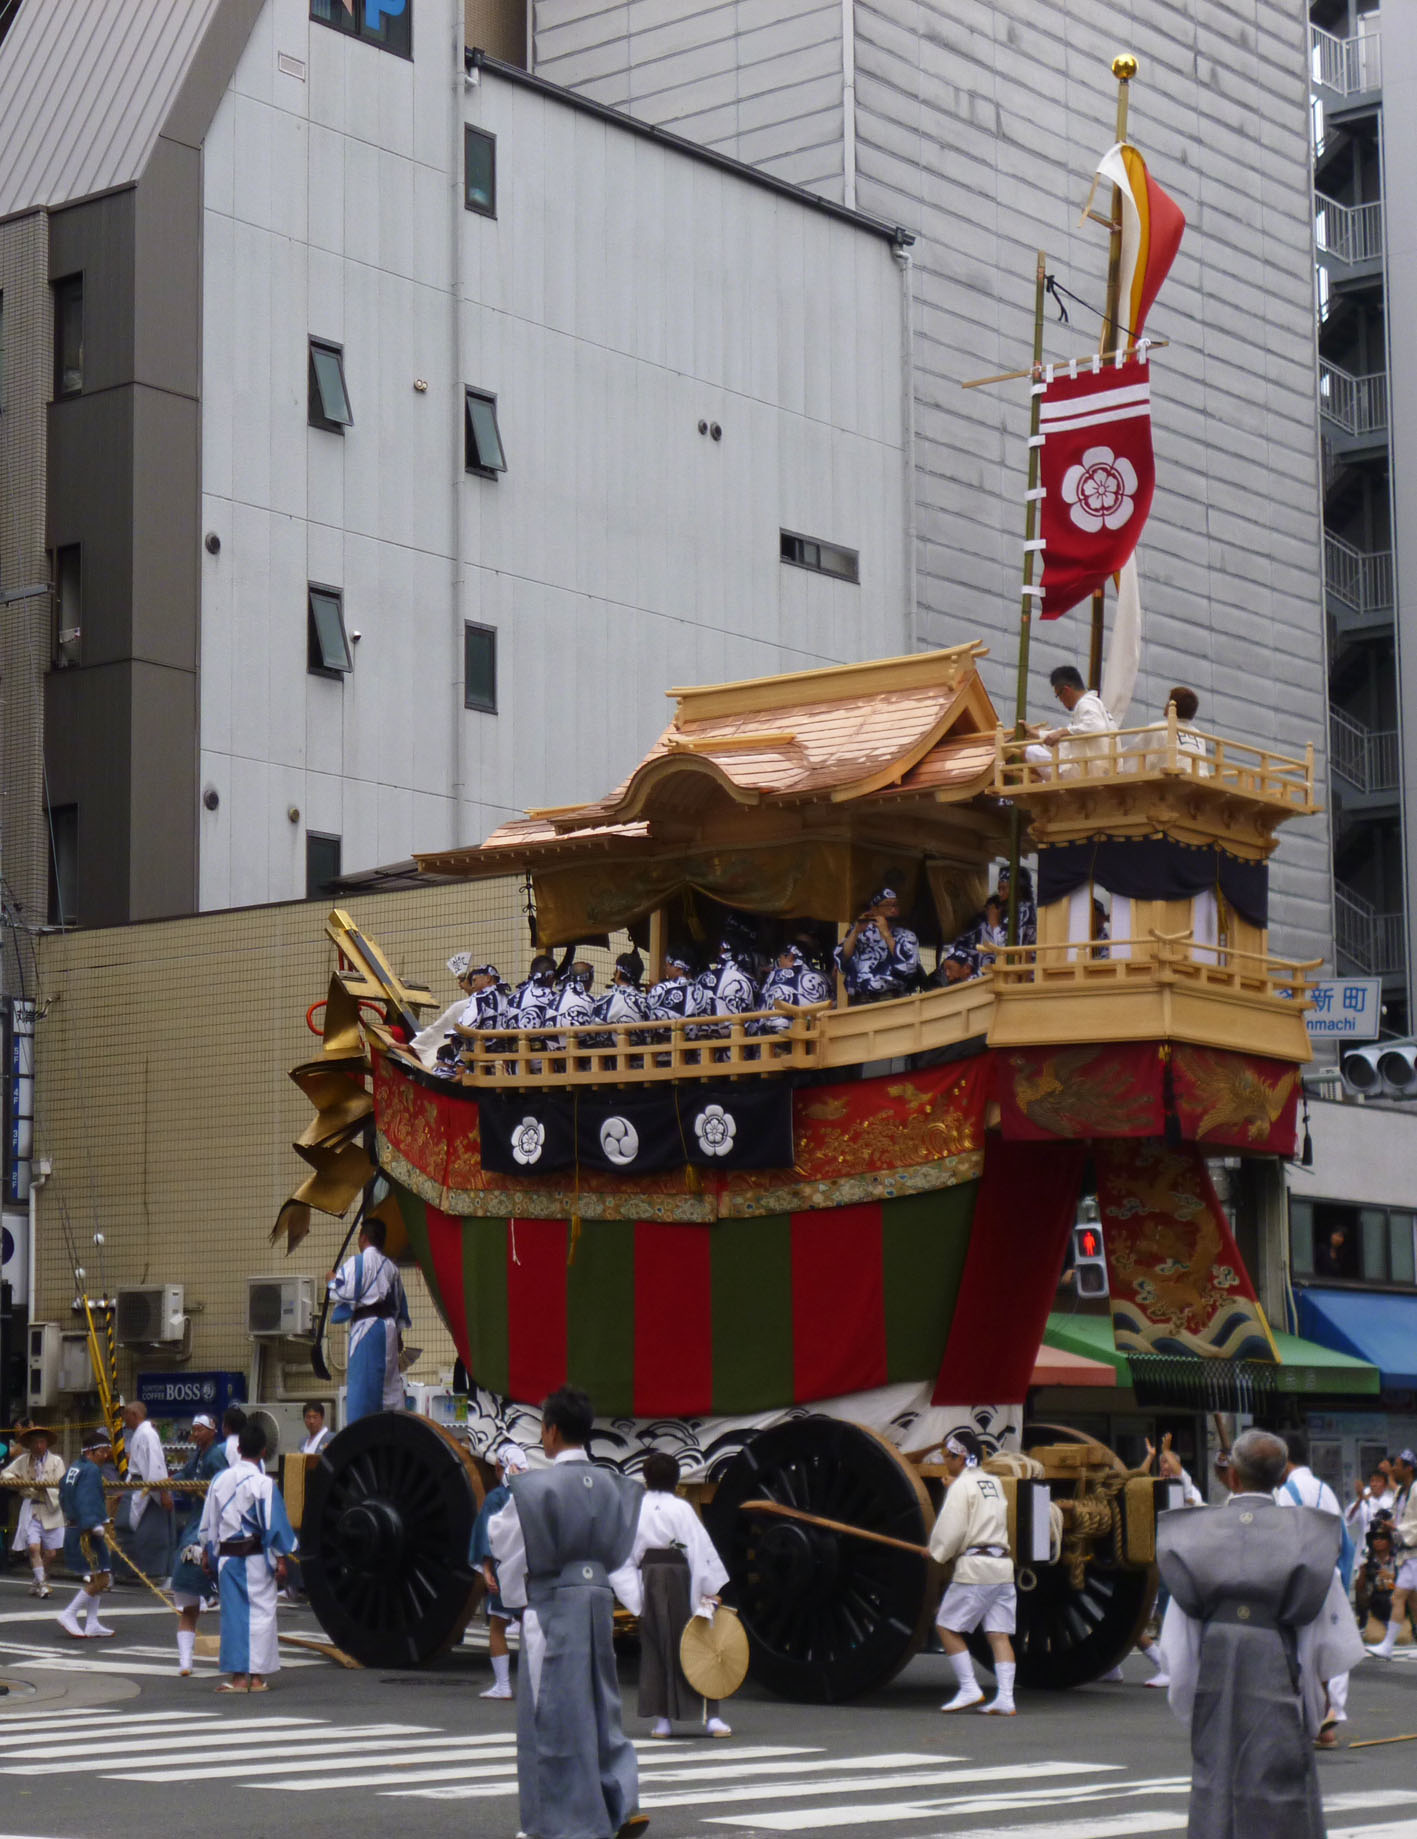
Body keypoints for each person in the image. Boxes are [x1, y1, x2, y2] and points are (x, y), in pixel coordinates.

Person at [1156, 1427, 1366, 1836]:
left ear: (1232, 1476)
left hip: (1216, 1662)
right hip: (1279, 1658)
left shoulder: (1193, 1535)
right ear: (1280, 1477)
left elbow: (1177, 1645)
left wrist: (1188, 1698)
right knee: (1280, 1779)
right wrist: (1312, 1701)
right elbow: (1326, 1640)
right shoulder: (1309, 1535)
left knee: (1216, 1776)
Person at [487, 1387, 647, 1839]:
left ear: (552, 1431)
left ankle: (554, 1820)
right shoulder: (616, 1486)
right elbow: (623, 1553)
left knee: (551, 1714)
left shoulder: (535, 1487)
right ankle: (620, 1800)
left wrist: (517, 1594)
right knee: (602, 1705)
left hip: (555, 1602)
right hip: (597, 1599)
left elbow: (506, 1542)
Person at [630, 1452, 731, 1740]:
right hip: (681, 1576)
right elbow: (698, 1548)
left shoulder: (638, 1509)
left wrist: (633, 1591)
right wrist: (708, 1590)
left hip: (648, 1578)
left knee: (656, 1647)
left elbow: (627, 1554)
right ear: (676, 1480)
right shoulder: (682, 1509)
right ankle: (711, 1718)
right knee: (698, 1645)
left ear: (646, 1479)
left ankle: (662, 1720)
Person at [197, 1420, 297, 1693]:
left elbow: (208, 1524)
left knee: (234, 1615)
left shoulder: (219, 1480)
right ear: (264, 1451)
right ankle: (257, 1677)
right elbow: (274, 1526)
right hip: (256, 1558)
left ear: (238, 1449)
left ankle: (239, 1678)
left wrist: (207, 1553)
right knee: (262, 1614)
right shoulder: (265, 1484)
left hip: (228, 1558)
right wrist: (281, 1558)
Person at [927, 1429, 1016, 1716]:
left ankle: (969, 1688)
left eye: (946, 1456)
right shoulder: (994, 1483)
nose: (944, 1461)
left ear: (959, 1456)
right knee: (999, 1634)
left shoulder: (961, 1488)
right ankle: (1005, 1698)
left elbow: (951, 1528)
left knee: (946, 1625)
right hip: (1003, 1567)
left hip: (976, 1569)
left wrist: (937, 1551)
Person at [1275, 1430, 1353, 1743]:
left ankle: (1324, 1714)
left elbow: (1283, 1542)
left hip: (1303, 1579)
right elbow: (1345, 1542)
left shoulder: (1286, 1493)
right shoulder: (1325, 1489)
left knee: (1305, 1649)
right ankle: (1329, 1717)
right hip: (1331, 1575)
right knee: (1331, 1645)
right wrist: (1343, 1581)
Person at [327, 1214, 410, 1421]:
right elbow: (398, 1305)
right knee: (388, 1383)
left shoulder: (357, 1262)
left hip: (367, 1327)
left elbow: (344, 1291)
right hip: (388, 1328)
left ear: (363, 1237)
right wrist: (398, 1336)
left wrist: (331, 1281)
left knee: (363, 1385)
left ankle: (364, 1428)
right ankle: (393, 1421)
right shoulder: (391, 1268)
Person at [470, 1441, 530, 1700]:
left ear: (501, 1467)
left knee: (497, 1626)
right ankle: (533, 1683)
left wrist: (486, 1570)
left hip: (504, 1570)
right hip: (532, 1571)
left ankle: (503, 1685)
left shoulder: (497, 1497)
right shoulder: (534, 1494)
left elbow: (486, 1535)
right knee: (532, 1628)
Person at [170, 1413, 228, 1676]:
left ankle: (220, 1658)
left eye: (199, 1429)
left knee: (220, 1600)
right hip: (198, 1522)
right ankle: (185, 1662)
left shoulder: (215, 1456)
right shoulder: (197, 1456)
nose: (195, 1434)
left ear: (213, 1431)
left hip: (210, 1525)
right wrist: (168, 1482)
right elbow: (185, 1474)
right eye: (193, 1429)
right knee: (190, 1600)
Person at [57, 1427, 119, 1640]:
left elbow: (63, 1494)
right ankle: (70, 1613)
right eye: (103, 1451)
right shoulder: (91, 1470)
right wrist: (93, 1524)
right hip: (87, 1531)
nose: (106, 1455)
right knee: (102, 1578)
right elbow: (87, 1499)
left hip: (74, 1526)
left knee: (97, 1574)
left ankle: (92, 1623)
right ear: (91, 1452)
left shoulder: (74, 1468)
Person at [3, 1422, 66, 1598]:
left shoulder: (56, 1461)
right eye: (35, 1442)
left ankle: (38, 1579)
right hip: (31, 1508)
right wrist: (17, 1481)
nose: (38, 1446)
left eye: (42, 1442)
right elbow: (5, 1474)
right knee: (33, 1547)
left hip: (51, 1507)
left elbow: (62, 1485)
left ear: (46, 1443)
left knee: (51, 1553)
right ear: (29, 1444)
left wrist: (44, 1488)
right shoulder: (23, 1460)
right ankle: (43, 1584)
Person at [1367, 1447, 1417, 1657]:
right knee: (1413, 1600)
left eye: (1397, 1465)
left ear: (1409, 1468)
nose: (1394, 1468)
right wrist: (1387, 1521)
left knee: (1398, 1597)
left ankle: (1387, 1646)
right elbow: (1398, 1516)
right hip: (1406, 1553)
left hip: (1414, 1551)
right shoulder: (1400, 1491)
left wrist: (1396, 1528)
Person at [1024, 664, 1116, 776]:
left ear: (1066, 691)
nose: (1061, 701)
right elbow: (1071, 737)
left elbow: (1096, 727)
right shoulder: (1094, 705)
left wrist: (1063, 732)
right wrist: (1038, 734)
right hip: (1098, 769)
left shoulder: (1086, 704)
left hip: (1088, 771)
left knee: (1030, 751)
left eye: (1058, 695)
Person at [119, 1400, 175, 1585]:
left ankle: (164, 1573)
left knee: (155, 1533)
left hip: (149, 1486)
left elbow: (156, 1465)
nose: (124, 1419)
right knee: (125, 1528)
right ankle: (129, 1570)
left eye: (125, 1415)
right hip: (137, 1484)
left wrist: (163, 1492)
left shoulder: (148, 1434)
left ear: (134, 1415)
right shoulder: (140, 1433)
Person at [834, 888, 921, 1003]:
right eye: (887, 905)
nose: (893, 909)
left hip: (890, 1000)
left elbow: (909, 967)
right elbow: (842, 959)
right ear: (874, 910)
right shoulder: (861, 933)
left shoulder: (907, 936)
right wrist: (855, 932)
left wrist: (886, 933)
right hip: (859, 1001)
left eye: (895, 905)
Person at [756, 943, 831, 1031]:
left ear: (790, 957)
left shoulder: (778, 975)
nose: (778, 964)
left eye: (779, 959)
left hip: (781, 1034)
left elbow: (761, 1011)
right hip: (814, 1034)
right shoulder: (823, 978)